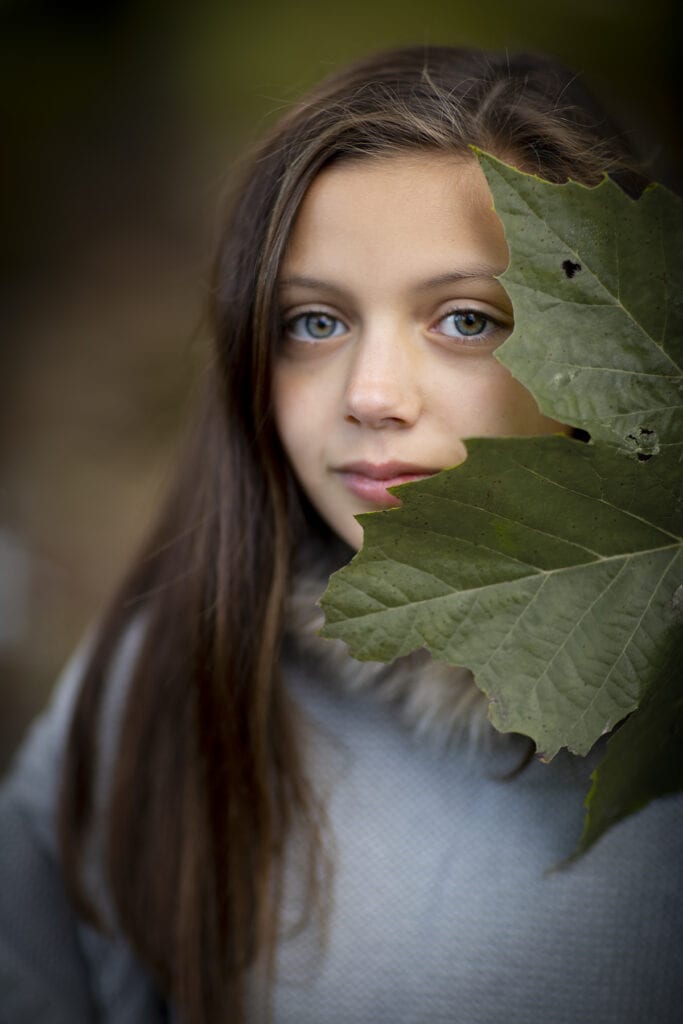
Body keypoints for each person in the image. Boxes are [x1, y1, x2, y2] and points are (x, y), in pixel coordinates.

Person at [1, 45, 681, 1024]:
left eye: (463, 318)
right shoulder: (170, 676)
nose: (370, 396)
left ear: (623, 341)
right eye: (313, 324)